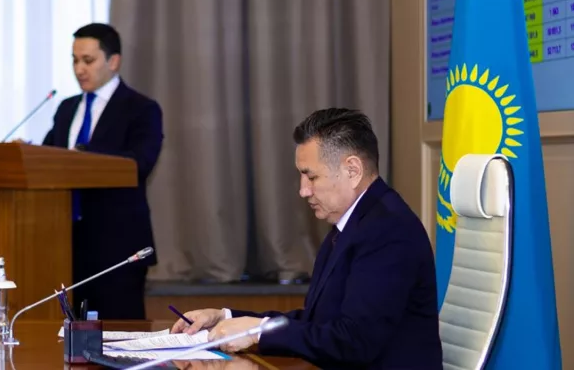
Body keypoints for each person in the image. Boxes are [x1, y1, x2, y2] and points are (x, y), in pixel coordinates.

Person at [171, 108, 442, 369]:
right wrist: (227, 317)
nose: (303, 191)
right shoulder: (354, 222)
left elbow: (353, 342)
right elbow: (318, 322)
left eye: (311, 177)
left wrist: (258, 332)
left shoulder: (387, 230)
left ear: (352, 170)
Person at [41, 23, 163, 320]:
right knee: (68, 337)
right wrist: (27, 152)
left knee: (119, 335)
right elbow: (49, 157)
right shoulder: (66, 108)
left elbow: (140, 163)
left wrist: (85, 155)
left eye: (88, 60)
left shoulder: (141, 108)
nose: (79, 69)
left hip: (117, 248)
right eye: (74, 60)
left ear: (113, 61)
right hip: (65, 246)